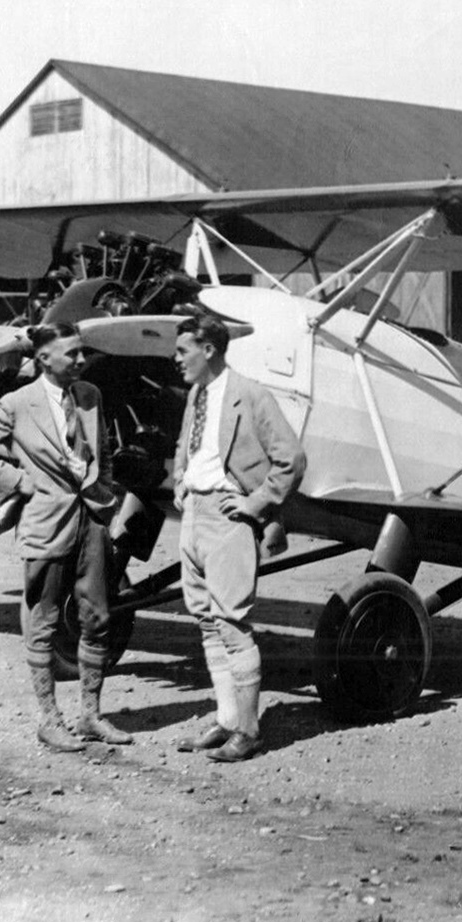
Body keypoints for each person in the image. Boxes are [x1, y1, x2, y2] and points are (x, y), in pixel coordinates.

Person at [0, 322, 130, 752]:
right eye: (72, 354)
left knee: (98, 617)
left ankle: (90, 715)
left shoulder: (89, 395)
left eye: (82, 352)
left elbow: (101, 453)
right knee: (43, 621)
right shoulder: (17, 403)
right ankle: (49, 720)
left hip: (92, 523)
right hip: (46, 523)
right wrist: (16, 480)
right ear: (45, 358)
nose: (82, 360)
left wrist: (104, 496)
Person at [172, 314, 305, 763]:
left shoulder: (251, 395)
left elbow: (291, 459)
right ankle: (228, 719)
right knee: (206, 619)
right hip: (195, 513)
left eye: (182, 350)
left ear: (208, 349)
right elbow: (188, 445)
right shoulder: (197, 393)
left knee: (231, 621)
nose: (176, 359)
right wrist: (180, 481)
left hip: (230, 516)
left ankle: (249, 730)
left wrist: (256, 505)